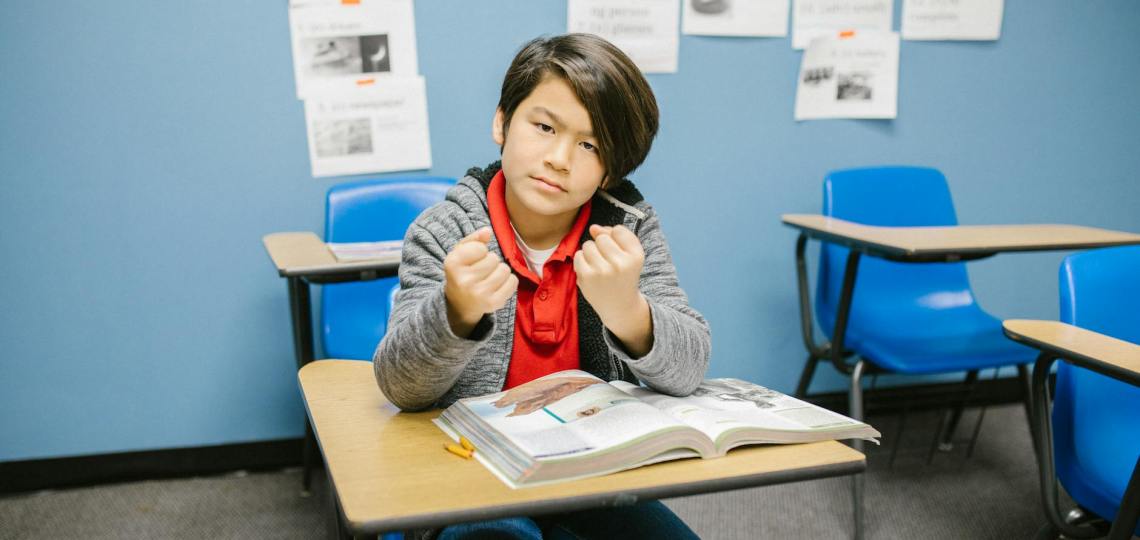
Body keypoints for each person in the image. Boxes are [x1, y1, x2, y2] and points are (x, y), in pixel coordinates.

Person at [374, 33, 711, 540]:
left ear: (610, 169)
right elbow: (400, 385)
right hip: (470, 473)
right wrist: (455, 312)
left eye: (590, 145)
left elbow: (690, 367)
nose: (559, 158)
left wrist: (629, 310)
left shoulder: (627, 231)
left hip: (593, 474)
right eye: (544, 126)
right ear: (502, 123)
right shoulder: (444, 230)